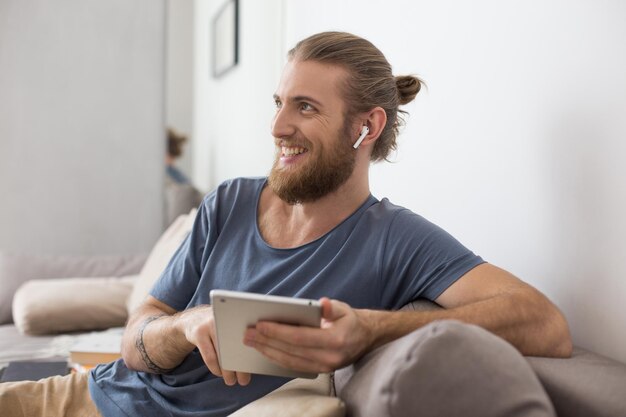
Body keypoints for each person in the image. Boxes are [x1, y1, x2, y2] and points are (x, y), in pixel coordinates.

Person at [0, 31, 572, 417]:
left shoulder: (396, 240)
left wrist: (370, 330)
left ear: (365, 128)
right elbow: (134, 342)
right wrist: (184, 325)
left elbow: (546, 324)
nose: (277, 125)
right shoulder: (229, 202)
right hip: (81, 398)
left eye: (304, 107)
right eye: (279, 101)